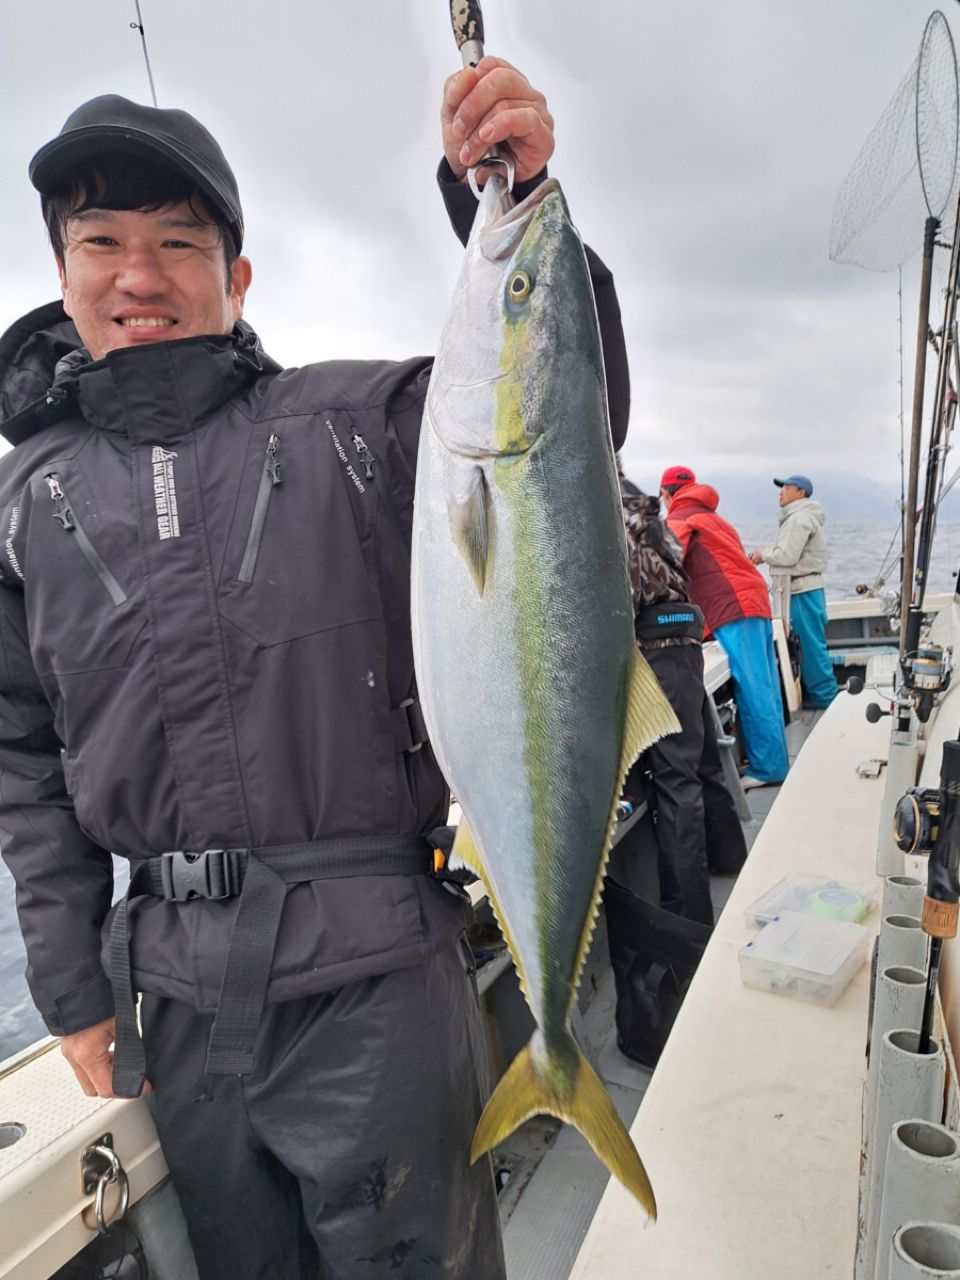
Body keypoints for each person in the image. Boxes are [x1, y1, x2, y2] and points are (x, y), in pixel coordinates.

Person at [0, 61, 631, 1280]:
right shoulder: (26, 504)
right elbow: (24, 764)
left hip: (378, 976)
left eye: (180, 243)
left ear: (237, 279)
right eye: (104, 241)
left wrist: (515, 197)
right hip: (179, 1003)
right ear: (64, 271)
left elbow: (561, 421)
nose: (140, 273)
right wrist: (73, 985)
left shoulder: (360, 424)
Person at [618, 468, 747, 926]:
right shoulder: (641, 505)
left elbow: (623, 594)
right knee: (703, 761)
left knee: (676, 781)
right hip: (684, 640)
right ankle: (731, 858)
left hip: (654, 644)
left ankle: (689, 918)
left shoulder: (602, 506)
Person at [659, 466, 789, 790]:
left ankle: (768, 768)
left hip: (732, 607)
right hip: (755, 599)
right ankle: (776, 760)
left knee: (753, 688)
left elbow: (662, 564)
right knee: (766, 687)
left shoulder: (681, 517)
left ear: (666, 494)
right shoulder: (716, 519)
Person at [750, 474, 837, 709]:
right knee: (806, 646)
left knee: (810, 648)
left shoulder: (799, 519)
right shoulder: (798, 518)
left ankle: (827, 702)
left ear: (801, 493)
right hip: (800, 590)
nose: (781, 492)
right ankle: (819, 697)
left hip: (802, 592)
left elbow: (787, 556)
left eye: (787, 488)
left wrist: (761, 555)